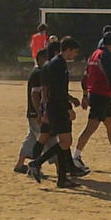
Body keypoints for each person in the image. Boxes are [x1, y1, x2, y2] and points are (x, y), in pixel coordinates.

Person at [73, 30, 111, 171]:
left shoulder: (94, 55)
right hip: (101, 95)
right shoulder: (106, 56)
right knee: (90, 128)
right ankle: (75, 157)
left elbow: (85, 77)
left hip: (97, 95)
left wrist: (85, 95)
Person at [28, 36, 82, 188]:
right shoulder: (58, 65)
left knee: (63, 143)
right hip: (58, 107)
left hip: (52, 107)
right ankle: (37, 163)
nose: (75, 55)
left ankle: (62, 178)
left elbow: (48, 90)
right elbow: (58, 90)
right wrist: (68, 107)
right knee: (65, 142)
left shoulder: (49, 64)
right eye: (74, 52)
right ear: (68, 50)